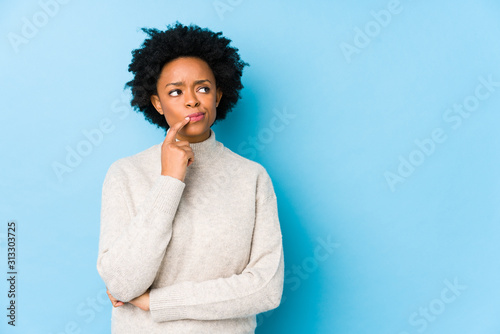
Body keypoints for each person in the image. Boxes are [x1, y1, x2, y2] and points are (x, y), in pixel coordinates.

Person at [96, 22, 285, 333]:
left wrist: (157, 302)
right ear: (157, 102)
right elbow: (122, 283)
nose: (192, 101)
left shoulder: (251, 177)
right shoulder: (125, 174)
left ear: (218, 94)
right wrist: (170, 179)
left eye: (203, 88)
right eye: (175, 91)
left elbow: (265, 288)